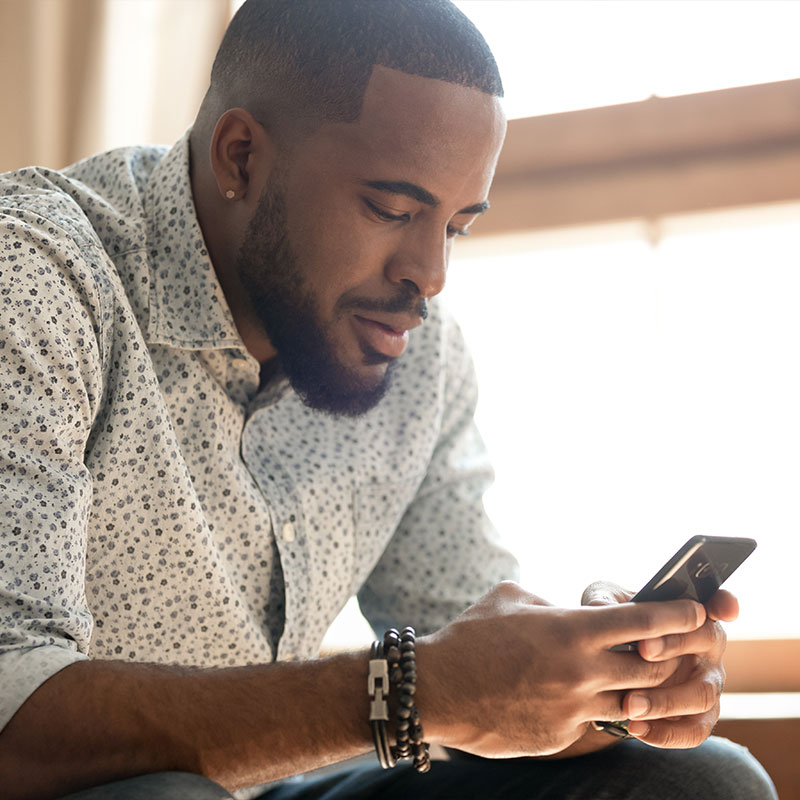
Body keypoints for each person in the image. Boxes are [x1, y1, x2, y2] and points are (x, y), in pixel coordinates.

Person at [0, 1, 777, 799]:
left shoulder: (413, 351)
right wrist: (414, 689)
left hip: (276, 789)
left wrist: (600, 682)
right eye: (393, 210)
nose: (429, 275)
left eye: (456, 228)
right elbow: (9, 719)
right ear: (240, 157)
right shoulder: (33, 277)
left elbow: (480, 682)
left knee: (702, 783)